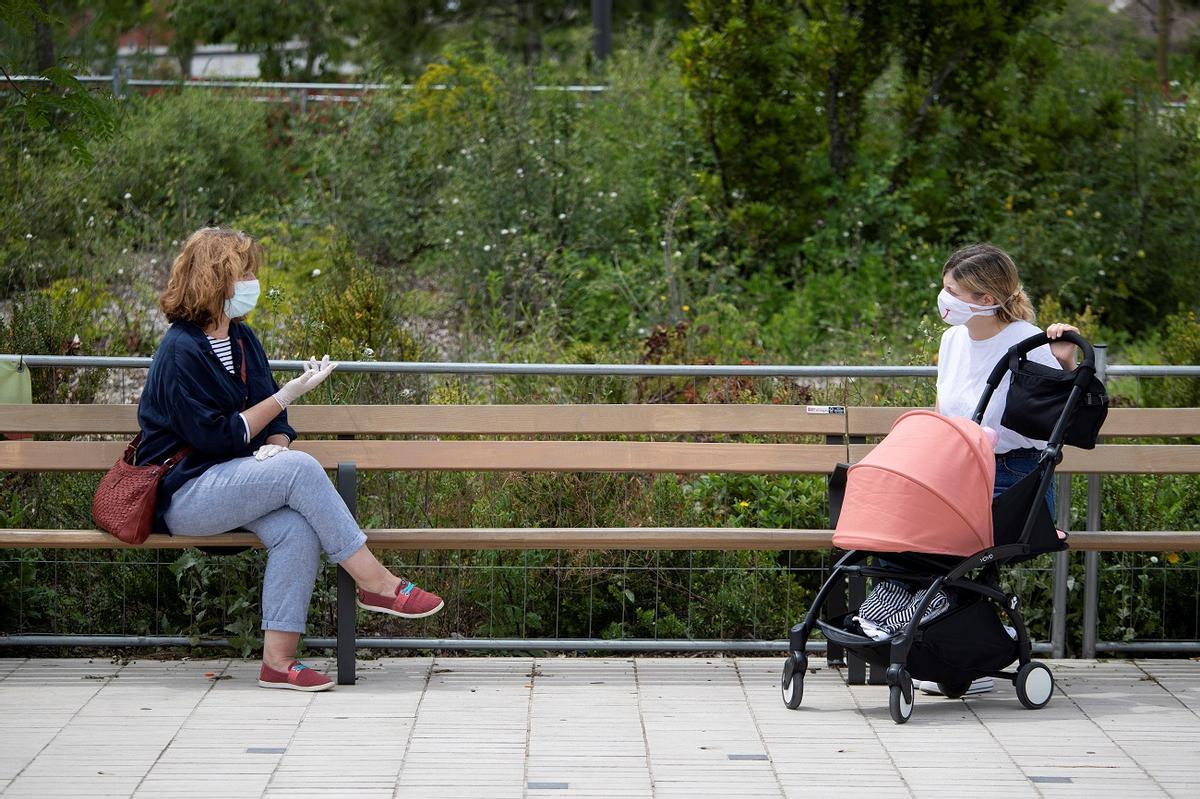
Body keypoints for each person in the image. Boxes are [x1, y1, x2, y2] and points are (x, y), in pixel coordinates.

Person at [137, 227, 444, 692]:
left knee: (296, 527)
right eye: (245, 273)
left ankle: (277, 662)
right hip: (187, 492)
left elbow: (274, 419)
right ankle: (377, 583)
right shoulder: (179, 351)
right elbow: (218, 436)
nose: (252, 281)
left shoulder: (241, 339)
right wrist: (283, 401)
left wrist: (275, 445)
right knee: (300, 467)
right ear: (218, 279)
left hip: (235, 481)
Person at [857, 242, 1079, 697]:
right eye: (944, 287)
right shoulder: (952, 341)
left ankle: (950, 642)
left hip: (1015, 478)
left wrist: (1064, 366)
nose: (943, 299)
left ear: (984, 298)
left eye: (952, 290)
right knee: (895, 513)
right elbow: (944, 417)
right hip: (960, 471)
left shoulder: (1027, 344)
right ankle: (901, 620)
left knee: (927, 527)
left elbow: (1049, 431)